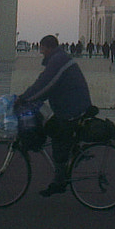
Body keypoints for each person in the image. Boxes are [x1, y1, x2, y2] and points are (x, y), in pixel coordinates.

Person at [17, 35, 93, 198]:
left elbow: (46, 84)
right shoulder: (58, 58)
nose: (40, 52)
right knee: (55, 131)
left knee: (55, 132)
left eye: (41, 48)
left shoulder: (58, 60)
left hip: (73, 108)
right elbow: (44, 83)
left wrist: (24, 99)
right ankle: (71, 157)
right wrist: (28, 97)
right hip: (72, 105)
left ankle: (60, 180)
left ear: (47, 47)